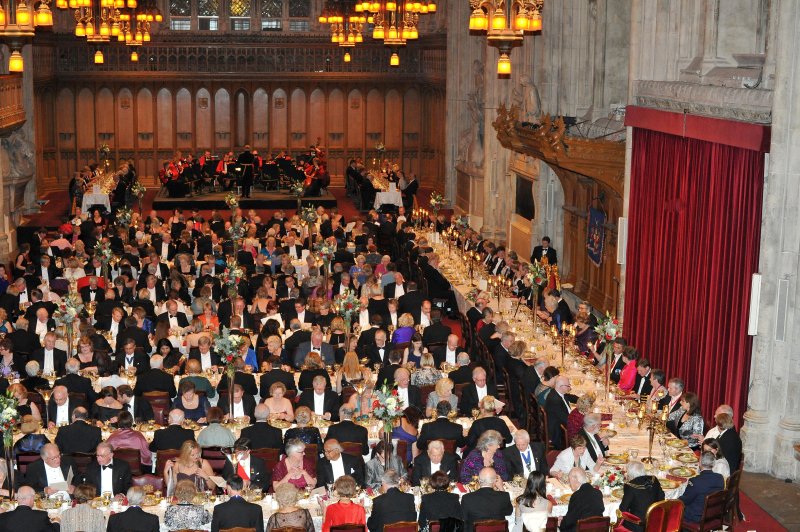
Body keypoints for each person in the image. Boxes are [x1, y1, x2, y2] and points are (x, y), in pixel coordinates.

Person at [617, 460, 665, 532]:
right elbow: (662, 497)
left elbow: (623, 509)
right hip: (657, 520)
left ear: (631, 473)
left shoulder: (630, 486)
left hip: (639, 524)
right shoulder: (654, 479)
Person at [679, 452, 726, 525]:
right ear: (713, 464)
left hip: (696, 517)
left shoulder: (695, 481)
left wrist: (674, 499)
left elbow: (685, 501)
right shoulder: (720, 478)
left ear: (700, 463)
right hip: (714, 514)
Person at [461, 467, 513, 532]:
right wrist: (501, 487)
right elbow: (509, 512)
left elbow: (463, 520)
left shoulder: (467, 498)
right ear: (495, 481)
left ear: (479, 480)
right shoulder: (503, 496)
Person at [559, 468, 604, 532]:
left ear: (575, 479)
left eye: (569, 479)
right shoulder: (598, 493)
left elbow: (570, 521)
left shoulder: (576, 496)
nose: (569, 482)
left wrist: (561, 523)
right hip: (598, 529)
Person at [544, 375, 578, 449]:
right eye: (568, 386)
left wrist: (582, 400)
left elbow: (570, 397)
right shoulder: (555, 400)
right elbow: (566, 420)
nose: (570, 388)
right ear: (561, 386)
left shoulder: (557, 392)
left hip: (561, 423)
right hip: (559, 433)